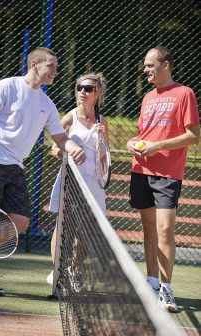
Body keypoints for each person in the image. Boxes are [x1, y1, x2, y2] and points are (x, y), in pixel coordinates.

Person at [0, 47, 86, 296]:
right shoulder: (6, 87)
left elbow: (60, 137)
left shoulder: (47, 104)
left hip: (15, 166)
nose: (56, 71)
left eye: (56, 66)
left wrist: (74, 147)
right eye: (51, 66)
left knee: (20, 222)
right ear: (35, 64)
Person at [127, 46, 200, 312]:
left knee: (165, 230)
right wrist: (132, 143)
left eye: (150, 64)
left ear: (165, 65)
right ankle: (151, 282)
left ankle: (167, 289)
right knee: (148, 231)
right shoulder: (147, 97)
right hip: (141, 170)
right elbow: (143, 133)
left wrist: (159, 147)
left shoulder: (184, 94)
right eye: (145, 65)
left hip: (168, 173)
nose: (145, 69)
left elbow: (193, 135)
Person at [46, 72, 109, 286]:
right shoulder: (69, 117)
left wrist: (100, 138)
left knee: (85, 230)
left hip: (93, 182)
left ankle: (76, 272)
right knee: (62, 226)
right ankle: (58, 272)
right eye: (80, 87)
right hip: (71, 179)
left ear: (97, 93)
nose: (83, 92)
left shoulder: (103, 121)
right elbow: (54, 148)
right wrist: (68, 152)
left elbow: (104, 157)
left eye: (88, 88)